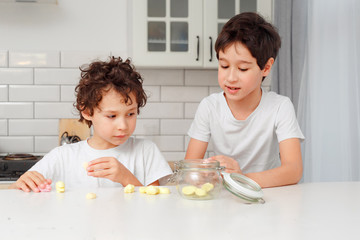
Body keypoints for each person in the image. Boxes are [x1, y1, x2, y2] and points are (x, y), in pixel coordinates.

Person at [10, 57, 173, 192]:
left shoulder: (146, 151)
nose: (123, 125)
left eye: (131, 114)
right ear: (87, 111)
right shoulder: (62, 156)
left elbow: (156, 206)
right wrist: (21, 184)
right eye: (112, 115)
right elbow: (13, 195)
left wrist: (126, 178)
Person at [185, 12, 304, 188]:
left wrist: (241, 178)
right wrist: (204, 172)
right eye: (224, 66)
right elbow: (190, 168)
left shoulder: (280, 107)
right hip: (225, 197)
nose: (230, 77)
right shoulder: (210, 107)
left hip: (268, 196)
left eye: (242, 68)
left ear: (266, 67)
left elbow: (293, 171)